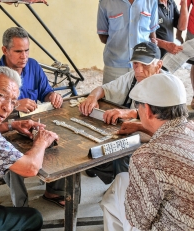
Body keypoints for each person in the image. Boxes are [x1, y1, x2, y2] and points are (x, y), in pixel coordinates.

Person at [0, 66, 59, 231]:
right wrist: (42, 141)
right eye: (1, 95)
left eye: (13, 101)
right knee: (33, 218)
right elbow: (30, 168)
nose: (8, 108)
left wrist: (11, 125)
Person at [100, 72, 194, 231]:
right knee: (122, 179)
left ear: (148, 110)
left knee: (113, 199)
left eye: (138, 106)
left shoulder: (147, 156)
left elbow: (139, 220)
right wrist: (142, 126)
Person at [0, 27, 65, 208]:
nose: (24, 56)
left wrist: (52, 97)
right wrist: (15, 105)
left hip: (31, 124)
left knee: (56, 139)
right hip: (5, 128)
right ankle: (21, 207)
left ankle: (54, 190)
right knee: (13, 158)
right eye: (18, 51)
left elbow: (46, 92)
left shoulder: (33, 65)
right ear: (5, 50)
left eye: (26, 50)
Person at [79, 41, 163, 183]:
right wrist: (92, 97)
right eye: (136, 64)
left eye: (145, 64)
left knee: (123, 152)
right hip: (132, 129)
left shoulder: (167, 84)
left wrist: (129, 113)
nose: (138, 70)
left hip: (154, 136)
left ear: (158, 65)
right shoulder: (132, 78)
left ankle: (125, 189)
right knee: (93, 140)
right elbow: (103, 89)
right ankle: (107, 171)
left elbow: (163, 125)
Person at [97, 0, 159, 84]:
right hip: (115, 66)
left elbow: (152, 35)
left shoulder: (151, 1)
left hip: (143, 66)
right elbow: (103, 36)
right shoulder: (105, 2)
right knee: (112, 96)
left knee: (142, 96)